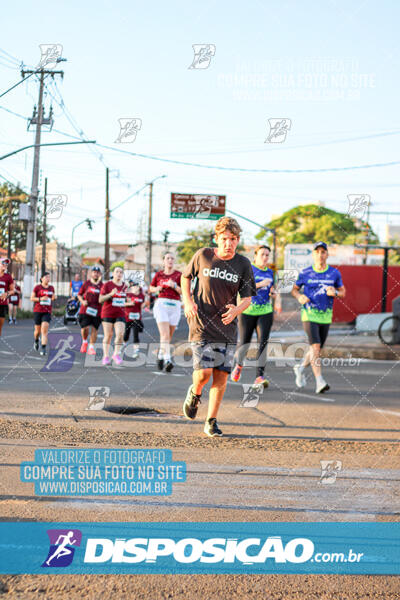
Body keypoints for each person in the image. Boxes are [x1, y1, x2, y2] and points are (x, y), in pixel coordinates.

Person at [181, 216, 256, 437]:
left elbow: (248, 298)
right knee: (203, 373)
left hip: (227, 327)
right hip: (201, 323)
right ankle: (195, 393)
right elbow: (185, 278)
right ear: (217, 238)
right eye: (225, 238)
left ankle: (211, 421)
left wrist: (236, 310)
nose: (229, 243)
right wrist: (188, 301)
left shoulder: (243, 264)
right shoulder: (203, 255)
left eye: (233, 239)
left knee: (221, 376)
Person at [291, 241, 346, 393]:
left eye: (323, 252)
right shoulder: (305, 272)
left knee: (318, 349)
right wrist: (299, 297)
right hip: (309, 314)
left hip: (326, 316)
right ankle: (319, 381)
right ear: (313, 254)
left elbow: (343, 292)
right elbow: (294, 290)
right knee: (315, 347)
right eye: (317, 252)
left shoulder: (334, 273)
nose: (320, 255)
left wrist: (334, 293)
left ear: (327, 255)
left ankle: (300, 367)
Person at [231, 244, 276, 388]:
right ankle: (238, 365)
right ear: (255, 256)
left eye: (267, 255)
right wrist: (260, 284)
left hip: (265, 311)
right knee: (244, 343)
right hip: (247, 311)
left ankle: (259, 377)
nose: (265, 257)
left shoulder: (270, 272)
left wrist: (274, 294)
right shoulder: (248, 269)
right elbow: (242, 288)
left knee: (263, 343)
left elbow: (272, 289)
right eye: (262, 254)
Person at [149, 252, 182, 372]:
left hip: (175, 305)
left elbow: (183, 291)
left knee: (169, 336)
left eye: (172, 258)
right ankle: (168, 360)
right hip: (162, 304)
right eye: (168, 258)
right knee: (165, 335)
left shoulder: (179, 275)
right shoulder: (159, 274)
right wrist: (158, 288)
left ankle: (160, 355)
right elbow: (150, 288)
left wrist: (174, 285)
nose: (170, 260)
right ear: (163, 261)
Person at [99, 266, 127, 366]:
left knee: (120, 334)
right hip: (108, 313)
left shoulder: (125, 286)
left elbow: (126, 299)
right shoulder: (107, 285)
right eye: (117, 272)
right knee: (108, 335)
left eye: (121, 272)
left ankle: (116, 354)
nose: (119, 274)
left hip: (120, 313)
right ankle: (106, 356)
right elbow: (100, 299)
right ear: (113, 274)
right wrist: (111, 294)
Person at [77, 266, 102, 355]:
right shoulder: (86, 284)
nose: (95, 274)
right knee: (85, 328)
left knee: (95, 329)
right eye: (94, 272)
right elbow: (79, 295)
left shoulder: (102, 285)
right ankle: (84, 341)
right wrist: (83, 301)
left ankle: (91, 347)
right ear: (91, 274)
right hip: (86, 309)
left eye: (97, 272)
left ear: (100, 274)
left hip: (97, 310)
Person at [31, 272, 56, 355]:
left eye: (49, 277)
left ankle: (43, 348)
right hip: (38, 311)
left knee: (44, 330)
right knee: (37, 332)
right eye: (46, 277)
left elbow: (53, 297)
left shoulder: (51, 288)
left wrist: (54, 297)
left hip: (47, 312)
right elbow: (32, 298)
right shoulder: (37, 287)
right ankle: (36, 340)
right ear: (41, 278)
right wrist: (40, 299)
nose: (48, 279)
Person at [123, 280, 147, 358]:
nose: (136, 288)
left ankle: (136, 351)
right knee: (126, 334)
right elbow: (122, 303)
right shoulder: (128, 295)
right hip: (128, 317)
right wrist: (129, 303)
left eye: (137, 286)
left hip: (137, 317)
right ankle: (122, 345)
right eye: (134, 286)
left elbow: (143, 304)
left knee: (136, 333)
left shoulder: (141, 296)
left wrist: (144, 305)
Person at [0, 258, 14, 337]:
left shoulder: (8, 277)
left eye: (6, 263)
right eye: (3, 263)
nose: (5, 265)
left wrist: (6, 293)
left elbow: (12, 290)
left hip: (2, 304)